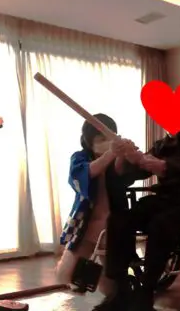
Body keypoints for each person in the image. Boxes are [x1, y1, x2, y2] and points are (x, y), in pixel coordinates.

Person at [89, 122, 180, 311]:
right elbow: (131, 175)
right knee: (119, 219)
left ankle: (146, 292)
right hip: (163, 199)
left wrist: (165, 166)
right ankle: (121, 290)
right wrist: (125, 158)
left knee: (160, 224)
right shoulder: (162, 144)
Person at [56, 114, 139, 296]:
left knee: (111, 271)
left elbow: (122, 175)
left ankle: (115, 292)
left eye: (110, 137)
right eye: (101, 139)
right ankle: (88, 281)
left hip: (113, 220)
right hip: (86, 220)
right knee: (67, 272)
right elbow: (83, 174)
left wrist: (126, 155)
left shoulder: (116, 157)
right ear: (90, 140)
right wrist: (111, 153)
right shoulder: (80, 157)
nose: (106, 143)